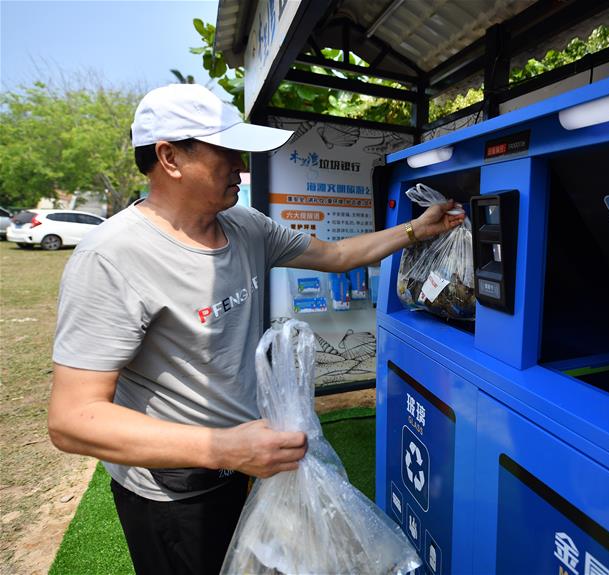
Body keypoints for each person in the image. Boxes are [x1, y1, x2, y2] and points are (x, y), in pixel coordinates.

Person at [47, 83, 463, 575]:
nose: (241, 166)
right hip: (173, 491)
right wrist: (221, 447)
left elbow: (335, 256)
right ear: (169, 158)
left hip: (246, 466)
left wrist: (418, 229)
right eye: (226, 152)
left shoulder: (246, 226)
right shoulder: (111, 258)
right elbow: (72, 418)